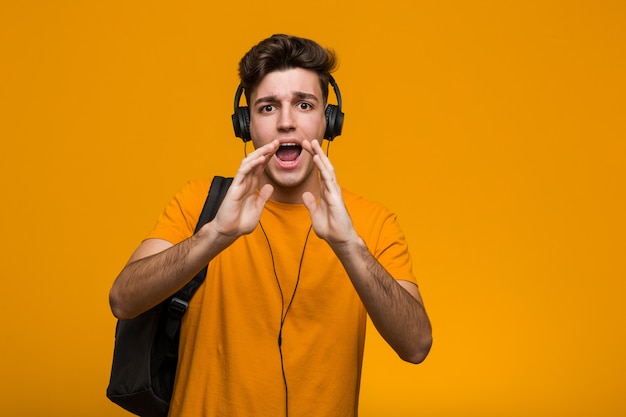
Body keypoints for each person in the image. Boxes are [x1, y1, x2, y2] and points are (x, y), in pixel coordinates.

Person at [109, 34, 432, 417]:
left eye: (304, 104)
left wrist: (350, 246)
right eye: (267, 108)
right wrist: (215, 236)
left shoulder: (372, 222)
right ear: (246, 124)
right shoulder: (201, 203)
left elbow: (416, 346)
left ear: (329, 120)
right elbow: (122, 300)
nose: (286, 122)